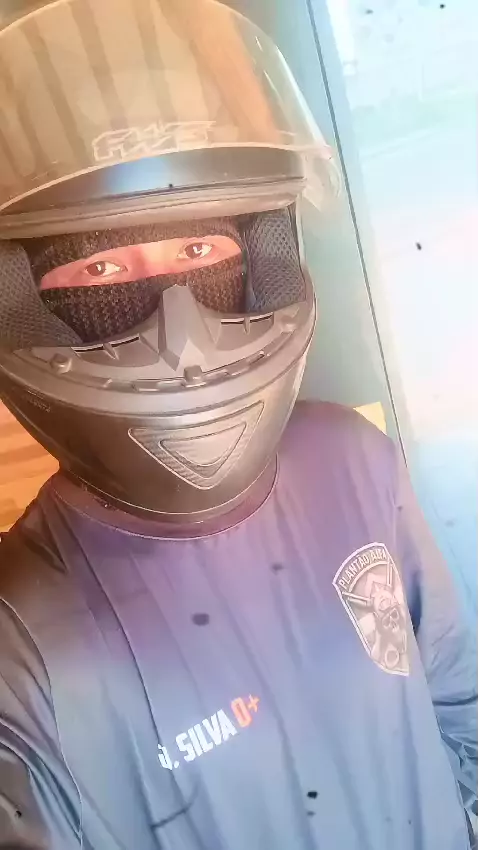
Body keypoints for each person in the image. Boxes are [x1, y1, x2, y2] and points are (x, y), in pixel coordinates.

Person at [0, 1, 476, 848]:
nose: (181, 338)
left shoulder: (353, 459)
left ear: (260, 254)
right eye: (102, 268)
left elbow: (457, 699)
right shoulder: (21, 633)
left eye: (198, 252)